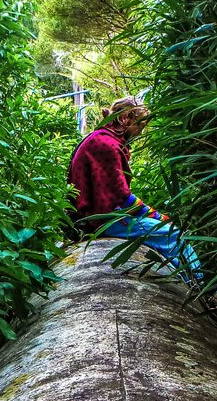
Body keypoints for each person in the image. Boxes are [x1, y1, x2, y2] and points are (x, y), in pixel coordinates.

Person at [66, 95, 201, 283]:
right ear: (125, 119)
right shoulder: (107, 144)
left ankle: (191, 281)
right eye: (139, 126)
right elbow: (122, 197)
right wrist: (156, 216)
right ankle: (199, 284)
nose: (139, 134)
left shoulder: (102, 138)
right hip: (105, 219)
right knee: (174, 235)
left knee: (168, 236)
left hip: (106, 215)